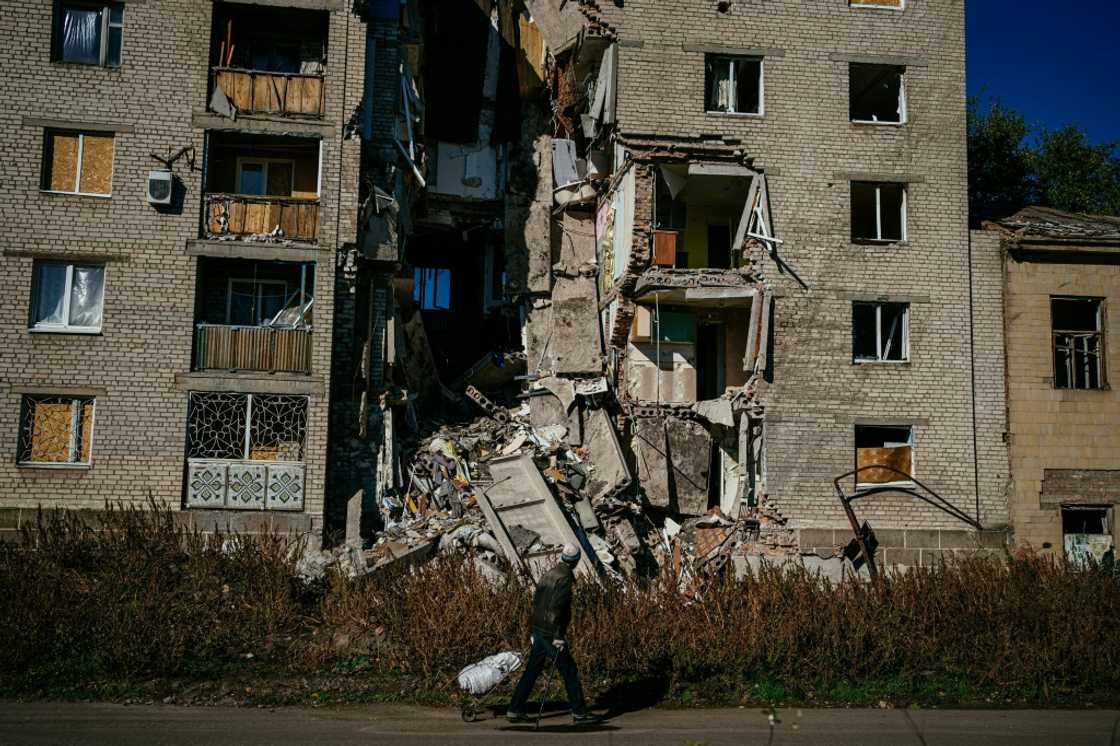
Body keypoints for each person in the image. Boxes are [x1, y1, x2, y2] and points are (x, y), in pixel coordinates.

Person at [506, 543, 601, 725]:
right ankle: (580, 713)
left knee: (532, 670)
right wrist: (558, 636)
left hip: (539, 630)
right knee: (569, 671)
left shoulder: (549, 573)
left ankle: (515, 709)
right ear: (576, 560)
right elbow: (558, 608)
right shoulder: (564, 578)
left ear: (562, 557)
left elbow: (537, 602)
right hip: (551, 633)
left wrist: (533, 629)